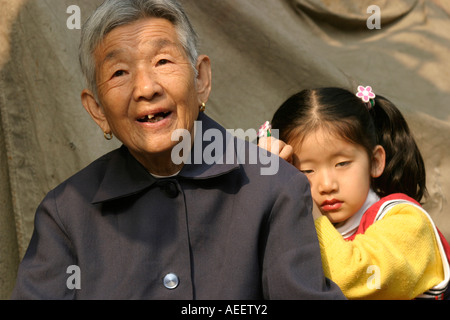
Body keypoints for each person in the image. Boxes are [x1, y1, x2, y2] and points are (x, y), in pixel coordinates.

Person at [11, 0, 344, 299]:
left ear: (200, 80)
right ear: (98, 110)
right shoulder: (66, 214)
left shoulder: (273, 188)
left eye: (162, 60)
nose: (145, 88)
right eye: (119, 72)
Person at [258, 86, 450, 299]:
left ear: (375, 161)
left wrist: (302, 199)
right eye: (306, 171)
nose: (327, 185)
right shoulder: (292, 228)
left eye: (341, 163)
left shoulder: (407, 221)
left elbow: (350, 275)